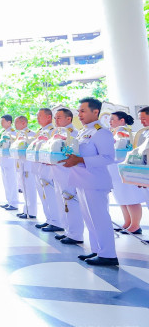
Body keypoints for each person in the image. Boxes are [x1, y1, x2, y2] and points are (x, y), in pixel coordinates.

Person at [59, 97, 118, 266]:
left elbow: (108, 158)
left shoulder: (102, 132)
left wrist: (79, 160)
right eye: (79, 111)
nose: (79, 114)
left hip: (95, 182)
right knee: (90, 219)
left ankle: (108, 255)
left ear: (95, 112)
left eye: (83, 111)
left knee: (100, 219)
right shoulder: (84, 131)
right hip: (82, 180)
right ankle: (97, 250)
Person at [51, 108, 85, 245]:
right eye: (55, 118)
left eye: (59, 117)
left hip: (68, 173)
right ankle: (68, 230)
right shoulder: (58, 133)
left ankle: (76, 234)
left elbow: (73, 154)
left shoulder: (73, 134)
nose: (56, 120)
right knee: (62, 203)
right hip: (58, 172)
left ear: (68, 119)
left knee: (71, 203)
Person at [108, 111, 144, 235]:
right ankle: (127, 222)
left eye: (113, 119)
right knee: (121, 197)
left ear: (122, 120)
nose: (110, 122)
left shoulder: (126, 133)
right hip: (115, 171)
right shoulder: (114, 133)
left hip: (126, 170)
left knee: (131, 197)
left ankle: (135, 225)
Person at [30, 109, 63, 232]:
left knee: (51, 195)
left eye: (40, 116)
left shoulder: (53, 131)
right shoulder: (40, 131)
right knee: (43, 195)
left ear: (49, 117)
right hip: (38, 166)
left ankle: (57, 221)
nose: (37, 118)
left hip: (48, 167)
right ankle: (49, 219)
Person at [14, 116, 37, 218]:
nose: (15, 125)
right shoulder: (19, 134)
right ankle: (26, 210)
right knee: (24, 188)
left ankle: (31, 212)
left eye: (17, 122)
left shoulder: (32, 135)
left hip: (28, 165)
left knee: (30, 188)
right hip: (21, 164)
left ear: (24, 123)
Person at [0, 115, 21, 211]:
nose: (1, 123)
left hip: (10, 160)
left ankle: (14, 203)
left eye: (3, 121)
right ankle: (9, 201)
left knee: (11, 182)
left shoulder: (13, 133)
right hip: (4, 160)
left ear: (9, 122)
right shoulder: (4, 132)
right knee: (6, 182)